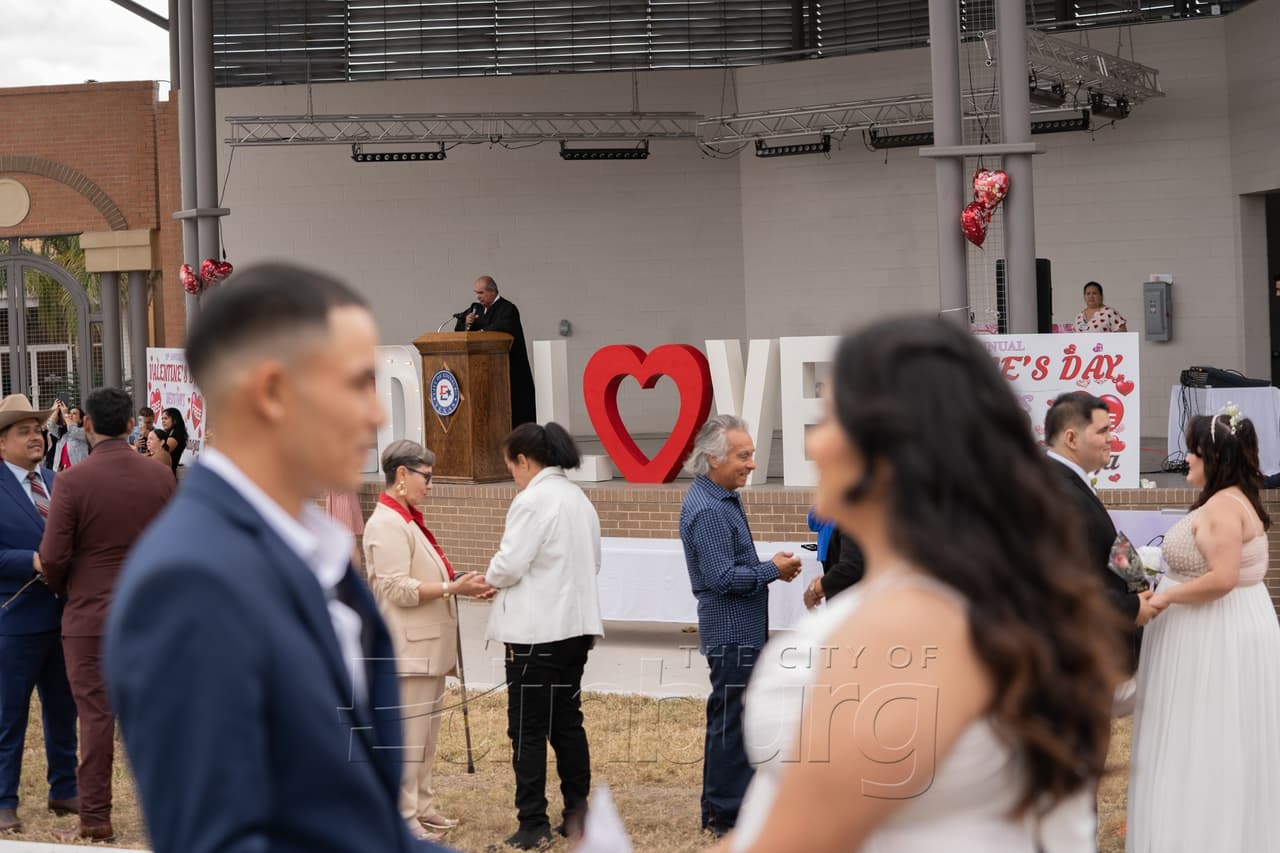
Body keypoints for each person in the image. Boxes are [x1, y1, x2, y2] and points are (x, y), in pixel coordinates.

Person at [723, 316, 1126, 853]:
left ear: (889, 451)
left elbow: (795, 838)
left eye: (828, 420)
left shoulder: (905, 628)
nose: (812, 444)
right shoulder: (976, 593)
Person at [103, 262, 448, 852]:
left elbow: (359, 824)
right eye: (355, 383)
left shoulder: (318, 554)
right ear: (270, 392)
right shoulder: (190, 581)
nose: (377, 414)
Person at [1126, 409, 1280, 851]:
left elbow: (1222, 577)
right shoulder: (1232, 499)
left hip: (1212, 633)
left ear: (1212, 458)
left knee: (1204, 734)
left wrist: (1167, 597)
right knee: (1210, 731)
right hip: (1218, 626)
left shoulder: (1223, 508)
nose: (1186, 461)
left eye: (1193, 453)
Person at [37, 387, 175, 843]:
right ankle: (171, 815)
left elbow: (53, 557)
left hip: (90, 615)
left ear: (88, 425)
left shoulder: (72, 481)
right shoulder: (161, 478)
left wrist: (67, 588)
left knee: (95, 718)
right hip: (149, 614)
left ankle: (95, 818)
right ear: (132, 425)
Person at [679, 414, 802, 837]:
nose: (752, 463)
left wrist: (770, 569)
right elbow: (722, 578)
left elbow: (731, 569)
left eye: (751, 454)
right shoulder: (709, 509)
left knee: (732, 718)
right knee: (732, 723)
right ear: (713, 458)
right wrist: (770, 569)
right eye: (743, 455)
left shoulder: (721, 497)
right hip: (732, 636)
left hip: (740, 632)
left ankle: (723, 808)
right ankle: (725, 815)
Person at [364, 439, 493, 841]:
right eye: (427, 477)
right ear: (401, 475)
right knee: (407, 739)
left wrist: (457, 586)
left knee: (426, 737)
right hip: (408, 650)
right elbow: (397, 589)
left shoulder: (406, 520)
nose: (430, 486)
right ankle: (403, 816)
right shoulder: (385, 523)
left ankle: (422, 804)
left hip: (427, 648)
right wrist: (452, 589)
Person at [484, 422, 603, 850]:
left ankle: (532, 821)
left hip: (536, 633)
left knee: (528, 730)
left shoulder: (532, 500)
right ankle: (577, 814)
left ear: (523, 460)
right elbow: (594, 561)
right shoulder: (578, 498)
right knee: (567, 724)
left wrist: (490, 578)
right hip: (575, 629)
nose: (513, 474)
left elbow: (510, 563)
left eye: (511, 466)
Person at [0, 394, 78, 834]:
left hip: (64, 618)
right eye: (23, 431)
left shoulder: (58, 482)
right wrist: (30, 560)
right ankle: (3, 800)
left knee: (63, 710)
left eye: (37, 429)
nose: (36, 436)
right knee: (8, 716)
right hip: (13, 620)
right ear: (1, 444)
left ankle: (64, 789)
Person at [1044, 392, 1156, 678]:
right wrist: (1131, 606)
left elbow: (1107, 541)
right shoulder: (1056, 491)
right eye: (1103, 431)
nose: (1112, 439)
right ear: (1071, 439)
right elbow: (1064, 579)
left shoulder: (1070, 481)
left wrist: (1139, 581)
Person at [454, 275, 535, 427]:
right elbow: (459, 330)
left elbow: (501, 328)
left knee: (515, 410)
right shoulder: (475, 308)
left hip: (509, 367)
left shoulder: (507, 308)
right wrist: (466, 322)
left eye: (481, 293)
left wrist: (480, 332)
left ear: (493, 291)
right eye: (476, 293)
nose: (478, 297)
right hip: (483, 370)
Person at [46, 402, 88, 471]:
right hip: (61, 472)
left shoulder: (84, 432)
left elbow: (73, 431)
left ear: (80, 420)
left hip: (77, 473)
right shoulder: (63, 434)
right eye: (69, 413)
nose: (70, 415)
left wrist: (66, 414)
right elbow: (50, 425)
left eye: (74, 413)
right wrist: (56, 410)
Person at [157, 407, 188, 472]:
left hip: (167, 474)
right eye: (162, 419)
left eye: (166, 418)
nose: (163, 421)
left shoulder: (177, 433)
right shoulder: (169, 432)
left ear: (175, 420)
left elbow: (163, 451)